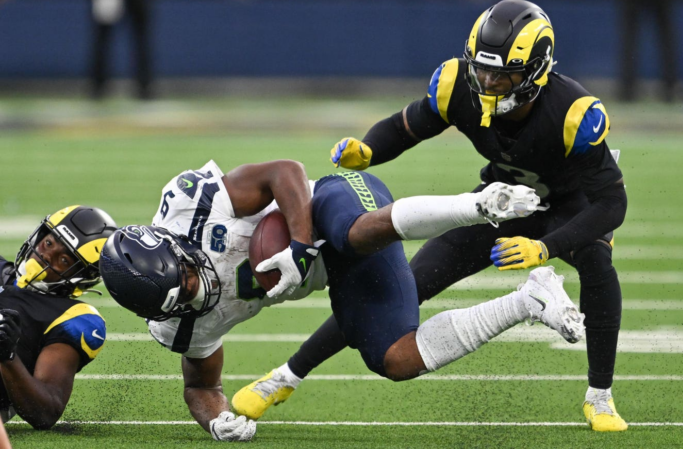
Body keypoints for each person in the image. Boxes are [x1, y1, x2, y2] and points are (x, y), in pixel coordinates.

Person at [234, 0, 628, 432]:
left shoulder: (574, 113)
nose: (488, 81)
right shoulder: (458, 85)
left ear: (536, 71)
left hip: (572, 206)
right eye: (482, 69)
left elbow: (612, 204)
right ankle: (287, 376)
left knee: (597, 263)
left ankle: (600, 396)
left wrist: (545, 247)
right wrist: (369, 150)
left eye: (502, 74)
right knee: (402, 287)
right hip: (503, 202)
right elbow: (408, 126)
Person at [99, 159, 584, 442]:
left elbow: (285, 172)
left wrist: (300, 243)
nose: (196, 285)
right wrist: (216, 420)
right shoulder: (179, 327)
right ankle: (529, 300)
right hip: (338, 270)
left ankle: (479, 205)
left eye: (186, 272)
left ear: (173, 246)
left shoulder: (191, 206)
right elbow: (201, 385)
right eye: (183, 295)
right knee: (396, 360)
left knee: (351, 234)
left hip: (332, 202)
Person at [0, 206, 116, 429]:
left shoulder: (71, 318)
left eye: (63, 260)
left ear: (82, 276)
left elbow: (45, 412)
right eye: (49, 243)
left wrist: (8, 356)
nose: (45, 255)